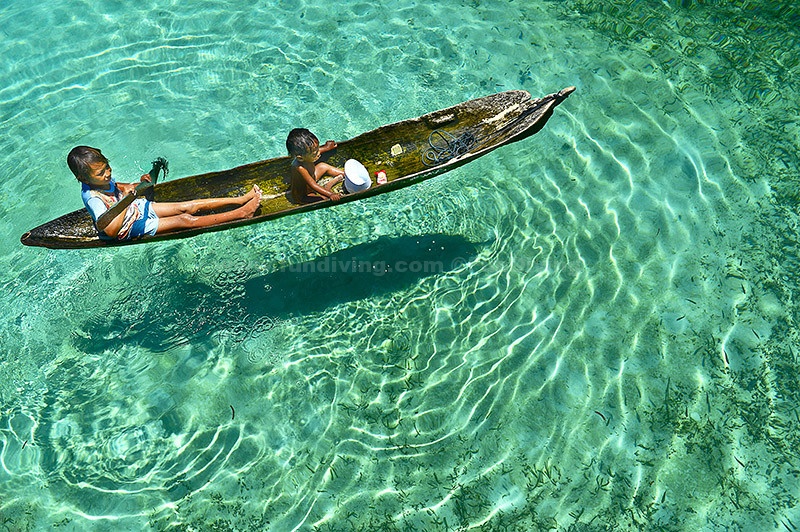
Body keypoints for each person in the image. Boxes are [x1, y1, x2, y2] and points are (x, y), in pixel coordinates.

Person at [67, 146, 262, 241]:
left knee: (188, 206)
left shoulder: (102, 179)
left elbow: (117, 187)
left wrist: (137, 184)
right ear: (84, 179)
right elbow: (111, 231)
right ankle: (242, 213)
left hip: (134, 208)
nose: (108, 173)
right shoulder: (93, 199)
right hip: (129, 227)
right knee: (184, 219)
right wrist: (126, 201)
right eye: (101, 173)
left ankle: (240, 200)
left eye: (107, 167)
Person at [286, 128, 344, 203]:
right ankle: (328, 187)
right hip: (305, 194)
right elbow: (313, 185)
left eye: (317, 149)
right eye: (315, 153)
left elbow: (316, 151)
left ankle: (344, 174)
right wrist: (330, 194)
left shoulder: (306, 155)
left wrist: (327, 147)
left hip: (313, 177)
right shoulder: (299, 168)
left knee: (322, 166)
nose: (319, 153)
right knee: (324, 199)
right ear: (300, 158)